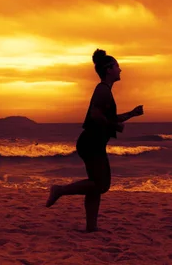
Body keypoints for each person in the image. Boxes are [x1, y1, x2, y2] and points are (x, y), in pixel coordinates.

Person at [45, 49, 144, 232]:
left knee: (95, 184)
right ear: (108, 69)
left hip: (92, 142)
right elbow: (96, 115)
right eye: (117, 66)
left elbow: (109, 117)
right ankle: (59, 190)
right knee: (101, 184)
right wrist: (115, 127)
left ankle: (91, 226)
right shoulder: (102, 90)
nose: (120, 70)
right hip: (91, 142)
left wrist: (132, 114)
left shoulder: (105, 91)